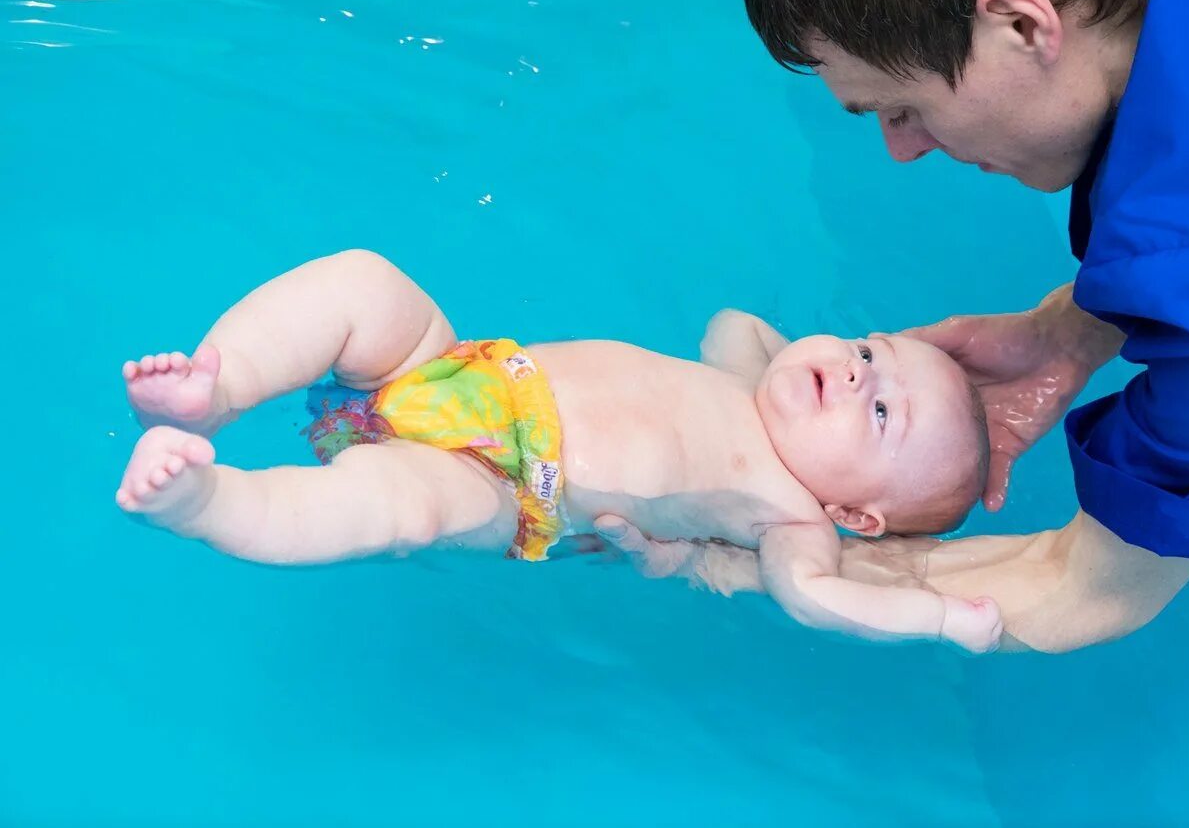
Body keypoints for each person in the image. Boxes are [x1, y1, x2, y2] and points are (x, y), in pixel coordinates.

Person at [600, 0, 1189, 652]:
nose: (903, 148)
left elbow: (1083, 591)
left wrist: (760, 563)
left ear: (1019, 25)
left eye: (901, 108)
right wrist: (1070, 330)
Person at [115, 249, 1003, 652]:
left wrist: (936, 618)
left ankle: (207, 504)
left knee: (400, 511)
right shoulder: (744, 373)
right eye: (865, 353)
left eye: (881, 413)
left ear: (854, 512)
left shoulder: (792, 518)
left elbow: (816, 599)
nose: (851, 377)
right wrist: (804, 367)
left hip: (499, 483)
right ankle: (216, 386)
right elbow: (734, 321)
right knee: (365, 281)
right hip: (457, 369)